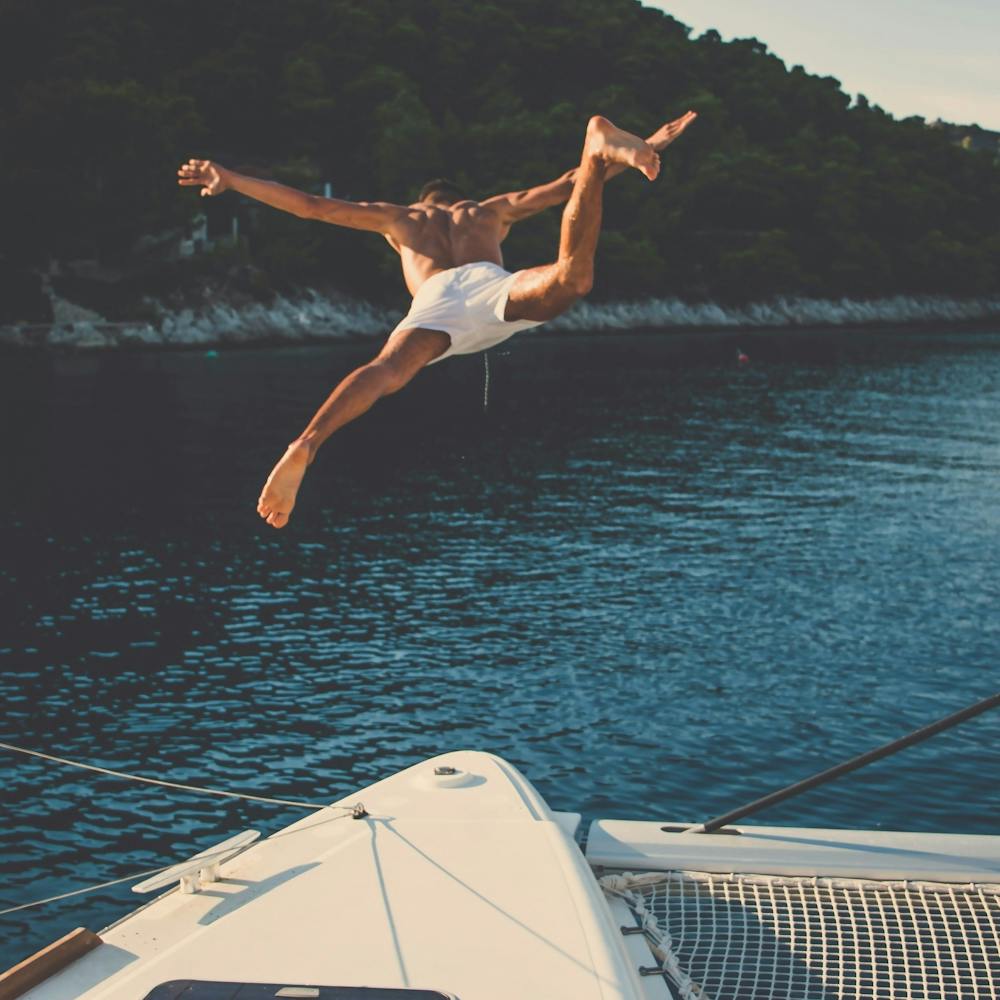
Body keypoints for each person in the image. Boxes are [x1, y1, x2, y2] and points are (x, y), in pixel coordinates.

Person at [177, 111, 697, 528]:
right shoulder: (490, 211)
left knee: (387, 371)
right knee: (569, 278)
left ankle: (307, 443)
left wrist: (232, 180)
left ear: (425, 201)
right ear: (458, 199)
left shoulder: (400, 218)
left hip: (435, 304)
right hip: (492, 285)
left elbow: (310, 205)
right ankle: (595, 139)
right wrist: (646, 147)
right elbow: (569, 184)